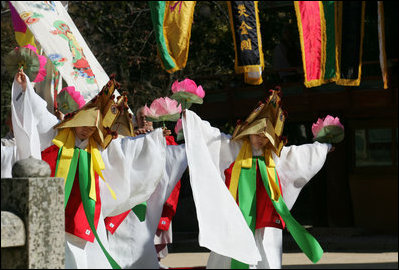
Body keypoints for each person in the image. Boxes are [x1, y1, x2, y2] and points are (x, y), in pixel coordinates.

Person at [5, 69, 186, 269]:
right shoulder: (55, 134)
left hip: (86, 209)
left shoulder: (99, 148)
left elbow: (129, 148)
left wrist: (155, 138)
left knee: (88, 259)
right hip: (53, 205)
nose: (86, 129)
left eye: (92, 127)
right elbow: (38, 112)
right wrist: (26, 87)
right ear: (75, 119)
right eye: (83, 124)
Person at [181, 89, 334, 269]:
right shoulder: (233, 147)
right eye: (257, 134)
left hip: (264, 215)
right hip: (236, 214)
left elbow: (299, 156)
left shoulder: (274, 156)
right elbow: (211, 138)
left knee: (267, 249)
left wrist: (324, 148)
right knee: (229, 252)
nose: (260, 140)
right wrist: (189, 118)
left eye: (265, 136)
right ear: (249, 130)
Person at [105, 106, 184, 269]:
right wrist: (138, 140)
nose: (144, 120)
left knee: (150, 237)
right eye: (141, 117)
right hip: (133, 196)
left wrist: (155, 139)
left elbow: (170, 161)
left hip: (154, 196)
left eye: (148, 117)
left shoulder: (164, 137)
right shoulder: (128, 137)